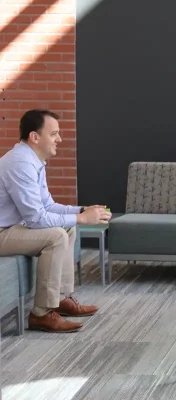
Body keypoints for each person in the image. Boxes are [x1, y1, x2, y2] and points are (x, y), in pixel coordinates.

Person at [0, 109, 112, 333]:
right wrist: (81, 218)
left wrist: (81, 210)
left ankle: (59, 298)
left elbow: (48, 205)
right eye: (54, 134)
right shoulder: (20, 163)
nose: (59, 139)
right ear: (35, 137)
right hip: (3, 232)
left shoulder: (33, 160)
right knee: (56, 235)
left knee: (66, 228)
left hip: (11, 228)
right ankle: (41, 314)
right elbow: (35, 218)